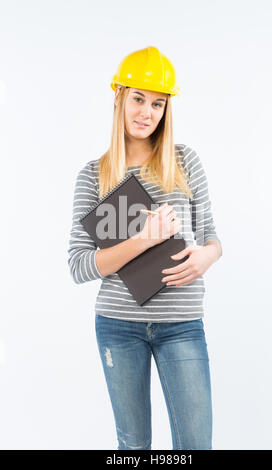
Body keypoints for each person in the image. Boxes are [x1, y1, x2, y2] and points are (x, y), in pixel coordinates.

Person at [67, 46, 222, 450]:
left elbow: (212, 238)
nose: (146, 112)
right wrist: (144, 240)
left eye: (157, 103)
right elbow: (79, 266)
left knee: (195, 444)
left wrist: (209, 255)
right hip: (118, 327)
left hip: (182, 324)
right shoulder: (93, 176)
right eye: (138, 98)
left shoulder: (185, 161)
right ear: (119, 97)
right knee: (133, 447)